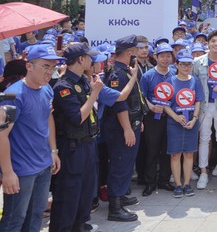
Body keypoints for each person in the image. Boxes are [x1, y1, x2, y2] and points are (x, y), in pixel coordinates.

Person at [0, 45, 62, 232]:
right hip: (21, 170)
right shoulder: (13, 95)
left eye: (53, 68)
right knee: (14, 220)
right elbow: (2, 134)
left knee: (36, 215)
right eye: (45, 66)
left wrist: (53, 150)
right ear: (29, 66)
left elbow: (47, 118)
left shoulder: (47, 90)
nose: (50, 72)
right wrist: (8, 172)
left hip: (43, 165)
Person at [48, 43, 103, 232]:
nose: (91, 60)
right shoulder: (63, 86)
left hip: (87, 142)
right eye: (88, 57)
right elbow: (78, 117)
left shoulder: (82, 81)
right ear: (80, 59)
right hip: (71, 147)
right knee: (69, 192)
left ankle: (80, 225)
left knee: (86, 190)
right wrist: (95, 93)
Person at [101, 35, 145, 222]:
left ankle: (120, 196)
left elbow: (134, 98)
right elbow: (119, 105)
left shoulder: (126, 70)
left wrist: (137, 120)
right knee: (120, 164)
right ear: (129, 52)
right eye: (135, 50)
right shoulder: (118, 74)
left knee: (126, 164)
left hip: (131, 123)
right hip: (120, 129)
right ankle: (115, 207)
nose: (137, 53)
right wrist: (127, 128)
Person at [193, 30, 217, 190]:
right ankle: (203, 171)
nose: (215, 44)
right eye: (212, 41)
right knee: (204, 139)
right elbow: (193, 84)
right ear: (208, 44)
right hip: (203, 107)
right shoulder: (198, 62)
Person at [165, 49, 203, 198]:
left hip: (191, 122)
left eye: (189, 64)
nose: (186, 67)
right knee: (175, 154)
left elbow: (198, 101)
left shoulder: (195, 80)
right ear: (177, 65)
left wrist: (194, 118)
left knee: (188, 153)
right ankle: (178, 185)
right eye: (183, 64)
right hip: (174, 122)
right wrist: (175, 117)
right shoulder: (170, 81)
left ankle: (187, 184)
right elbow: (165, 104)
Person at [139, 43, 176, 196]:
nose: (165, 59)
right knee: (152, 150)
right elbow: (142, 96)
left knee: (167, 150)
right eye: (162, 56)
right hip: (152, 118)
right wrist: (151, 107)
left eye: (168, 56)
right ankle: (150, 182)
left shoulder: (174, 73)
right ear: (156, 57)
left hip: (170, 117)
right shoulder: (148, 75)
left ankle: (164, 180)